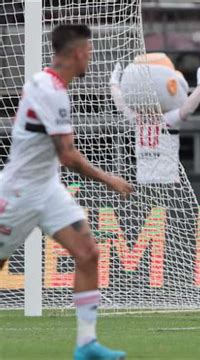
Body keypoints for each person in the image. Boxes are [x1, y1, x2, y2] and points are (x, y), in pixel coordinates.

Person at [0, 24, 133, 359]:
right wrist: (111, 180)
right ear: (77, 53)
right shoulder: (50, 91)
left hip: (47, 188)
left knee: (88, 253)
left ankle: (86, 345)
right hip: (18, 193)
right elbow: (68, 155)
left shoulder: (52, 85)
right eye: (89, 52)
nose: (91, 58)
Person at [109, 54, 200, 184]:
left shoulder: (168, 120)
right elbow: (121, 104)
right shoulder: (137, 119)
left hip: (167, 181)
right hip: (143, 181)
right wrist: (114, 83)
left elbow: (187, 109)